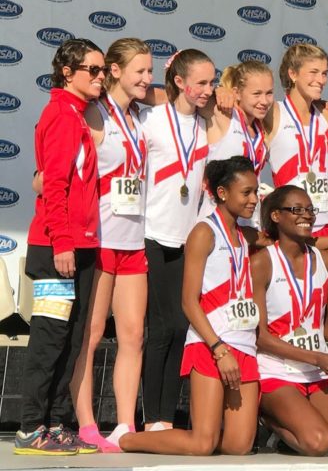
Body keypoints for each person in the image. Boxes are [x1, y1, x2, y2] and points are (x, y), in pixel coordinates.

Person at [118, 156, 260, 454]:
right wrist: (219, 349)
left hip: (244, 345)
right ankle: (127, 440)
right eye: (246, 192)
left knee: (239, 446)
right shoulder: (203, 232)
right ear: (222, 193)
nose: (254, 200)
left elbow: (291, 236)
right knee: (202, 444)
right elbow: (188, 301)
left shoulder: (245, 235)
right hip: (212, 345)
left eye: (256, 192)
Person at [15, 39, 106, 455]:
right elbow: (54, 185)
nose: (101, 77)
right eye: (93, 70)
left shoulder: (77, 114)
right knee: (50, 338)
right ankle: (30, 426)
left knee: (71, 339)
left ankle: (55, 423)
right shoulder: (61, 115)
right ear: (68, 73)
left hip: (81, 246)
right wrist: (63, 243)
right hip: (56, 248)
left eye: (104, 70)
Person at [68, 38, 152, 452]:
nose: (147, 79)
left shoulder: (143, 115)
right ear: (115, 71)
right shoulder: (92, 114)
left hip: (134, 240)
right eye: (139, 71)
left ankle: (123, 424)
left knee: (134, 334)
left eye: (151, 72)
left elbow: (177, 91)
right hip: (99, 238)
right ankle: (86, 422)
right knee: (93, 333)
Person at [253, 185, 328, 456]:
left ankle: (302, 419)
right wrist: (317, 358)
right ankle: (270, 422)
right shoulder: (262, 263)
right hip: (276, 371)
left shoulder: (325, 260)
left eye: (310, 210)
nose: (307, 216)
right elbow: (260, 338)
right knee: (319, 442)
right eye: (297, 210)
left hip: (316, 371)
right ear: (276, 216)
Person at [140, 49, 214, 431]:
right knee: (162, 327)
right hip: (153, 233)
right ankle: (152, 417)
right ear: (180, 82)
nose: (208, 89)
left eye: (212, 82)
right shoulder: (150, 118)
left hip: (188, 239)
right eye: (200, 82)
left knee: (182, 328)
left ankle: (165, 416)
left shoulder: (207, 123)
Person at [267, 45, 328, 251]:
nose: (321, 80)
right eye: (313, 72)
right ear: (292, 74)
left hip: (323, 223)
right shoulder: (273, 113)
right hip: (287, 225)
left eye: (324, 73)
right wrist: (222, 90)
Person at [200, 60, 274, 226]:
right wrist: (217, 91)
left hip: (249, 224)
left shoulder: (260, 128)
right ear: (237, 93)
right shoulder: (224, 114)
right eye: (256, 94)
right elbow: (187, 96)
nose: (264, 101)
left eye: (269, 93)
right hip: (216, 222)